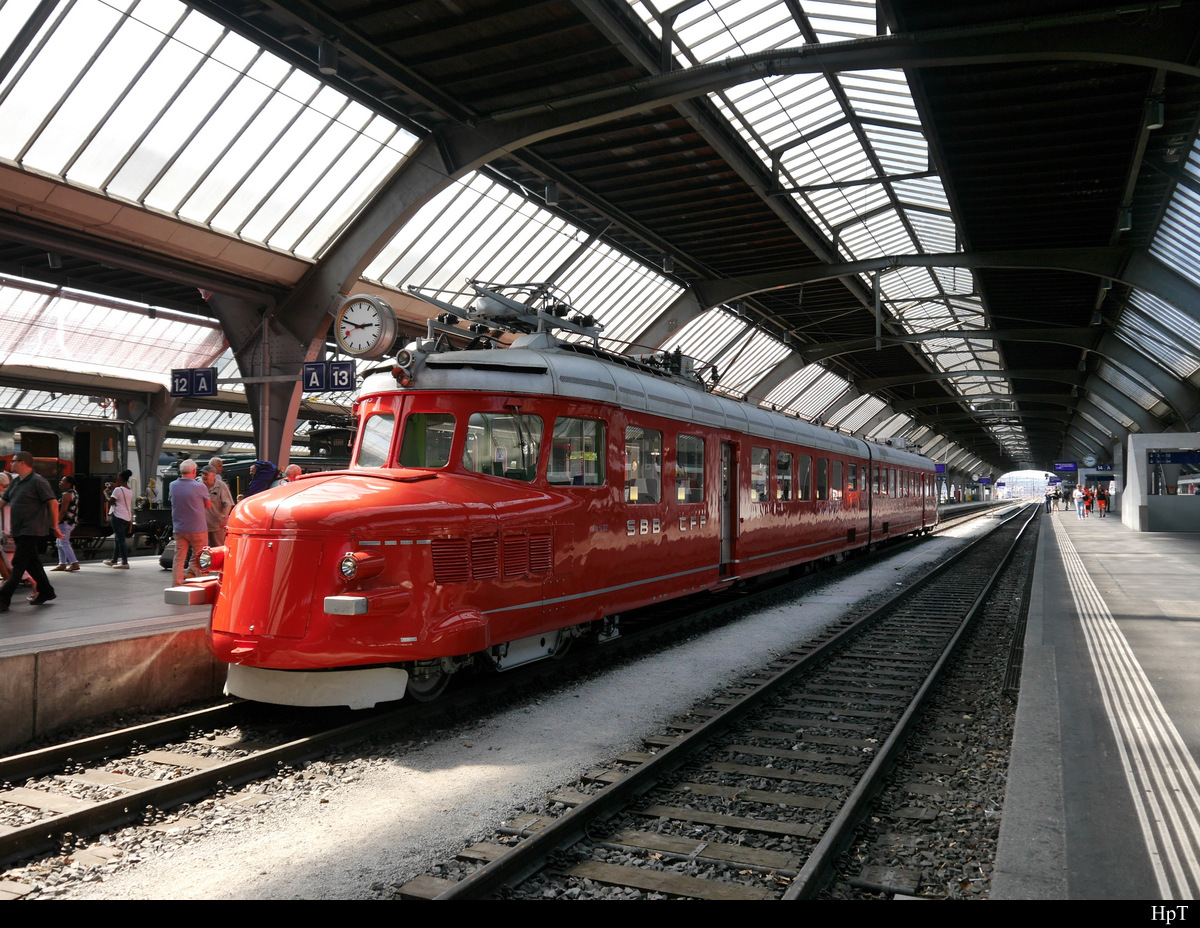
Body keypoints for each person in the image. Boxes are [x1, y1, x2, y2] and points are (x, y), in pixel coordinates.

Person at [0, 451, 62, 611]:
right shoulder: (16, 483)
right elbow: (3, 501)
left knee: (18, 564)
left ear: (23, 463)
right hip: (18, 530)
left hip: (32, 530)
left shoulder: (37, 481)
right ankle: (46, 591)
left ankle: (3, 599)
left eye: (13, 461)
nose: (10, 464)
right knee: (33, 564)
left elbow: (53, 503)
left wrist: (54, 525)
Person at [169, 459, 211, 587]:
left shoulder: (172, 485)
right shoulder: (200, 486)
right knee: (201, 557)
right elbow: (208, 505)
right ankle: (201, 585)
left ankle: (176, 584)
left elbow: (171, 500)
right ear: (194, 471)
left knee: (179, 558)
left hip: (179, 528)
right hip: (198, 528)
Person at [103, 470, 134, 568]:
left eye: (118, 477)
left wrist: (105, 493)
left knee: (120, 539)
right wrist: (114, 487)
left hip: (117, 516)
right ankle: (114, 560)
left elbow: (111, 501)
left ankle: (125, 562)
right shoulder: (129, 490)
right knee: (118, 538)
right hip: (126, 517)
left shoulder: (118, 490)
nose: (116, 478)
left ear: (120, 478)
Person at [52, 475, 80, 572]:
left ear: (68, 484)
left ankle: (74, 563)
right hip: (70, 521)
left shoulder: (66, 494)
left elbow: (63, 510)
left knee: (63, 542)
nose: (60, 482)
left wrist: (56, 521)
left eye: (62, 481)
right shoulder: (74, 493)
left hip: (65, 521)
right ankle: (62, 563)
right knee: (59, 543)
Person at [201, 465, 234, 546]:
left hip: (216, 525)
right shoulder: (199, 485)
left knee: (218, 547)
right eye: (203, 474)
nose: (203, 476)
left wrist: (224, 518)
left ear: (213, 475)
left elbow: (228, 504)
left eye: (206, 474)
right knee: (201, 551)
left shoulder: (221, 486)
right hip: (201, 526)